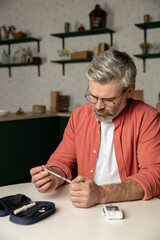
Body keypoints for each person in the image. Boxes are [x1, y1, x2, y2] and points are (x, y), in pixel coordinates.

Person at [30, 49, 160, 208]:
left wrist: (102, 194)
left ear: (129, 91)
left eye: (108, 99)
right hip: (84, 205)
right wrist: (53, 176)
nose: (98, 106)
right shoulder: (79, 116)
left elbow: (154, 175)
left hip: (130, 206)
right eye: (93, 96)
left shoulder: (147, 118)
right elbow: (62, 160)